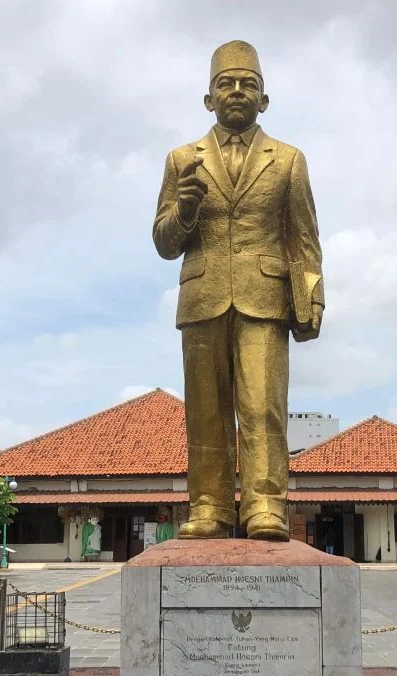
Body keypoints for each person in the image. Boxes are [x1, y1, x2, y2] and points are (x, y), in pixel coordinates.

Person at [153, 40, 324, 542]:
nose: (236, 91)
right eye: (225, 84)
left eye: (248, 84)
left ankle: (265, 505)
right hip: (202, 296)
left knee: (262, 406)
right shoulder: (181, 160)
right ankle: (209, 506)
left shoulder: (288, 159)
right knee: (205, 411)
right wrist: (184, 211)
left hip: (265, 297)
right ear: (208, 98)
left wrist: (311, 297)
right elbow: (164, 243)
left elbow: (304, 237)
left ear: (264, 100)